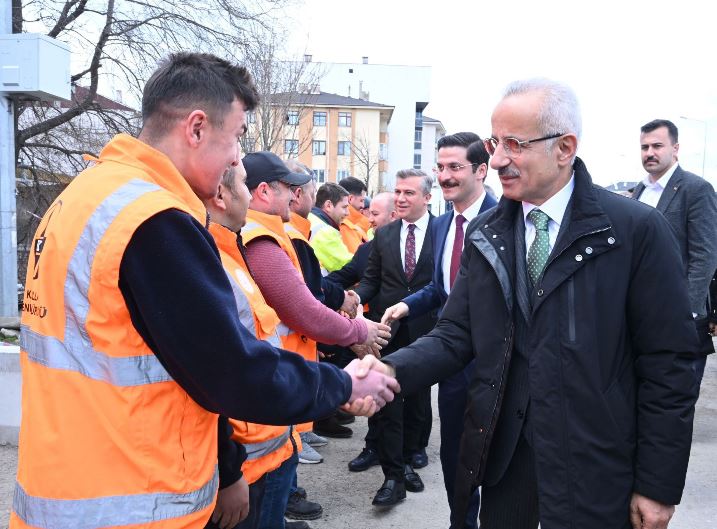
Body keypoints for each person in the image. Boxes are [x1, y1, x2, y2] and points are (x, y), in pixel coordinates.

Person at [11, 52, 398, 529]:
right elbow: (231, 369)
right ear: (196, 128)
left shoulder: (88, 195)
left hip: (72, 480)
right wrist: (345, 384)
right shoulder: (153, 219)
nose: (236, 158)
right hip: (132, 497)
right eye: (235, 137)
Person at [357, 78, 700, 529]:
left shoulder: (635, 231)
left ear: (565, 148)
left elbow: (668, 365)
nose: (498, 159)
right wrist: (390, 370)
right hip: (507, 463)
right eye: (495, 143)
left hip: (596, 465)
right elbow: (457, 333)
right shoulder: (487, 234)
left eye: (515, 144)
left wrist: (656, 485)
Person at [240, 151, 392, 526]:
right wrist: (357, 332)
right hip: (272, 388)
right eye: (289, 188)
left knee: (280, 470)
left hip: (282, 378)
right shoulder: (260, 238)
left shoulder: (274, 234)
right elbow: (303, 307)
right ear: (263, 192)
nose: (296, 196)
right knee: (270, 486)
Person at [381, 132, 497, 529]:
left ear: (481, 170)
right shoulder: (443, 224)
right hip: (451, 360)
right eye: (441, 167)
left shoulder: (508, 219)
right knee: (454, 454)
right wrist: (408, 304)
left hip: (496, 362)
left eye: (455, 167)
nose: (445, 176)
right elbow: (442, 287)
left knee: (498, 458)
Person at [354, 169, 437, 508]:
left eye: (409, 193)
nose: (401, 198)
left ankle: (412, 454)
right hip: (387, 329)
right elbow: (371, 280)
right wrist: (355, 299)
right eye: (398, 192)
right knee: (387, 398)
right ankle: (394, 472)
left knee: (417, 398)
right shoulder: (384, 235)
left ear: (427, 197)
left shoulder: (443, 232)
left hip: (426, 329)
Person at [631, 119, 717, 384]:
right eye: (644, 147)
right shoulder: (639, 191)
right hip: (640, 317)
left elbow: (705, 255)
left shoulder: (696, 189)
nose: (649, 153)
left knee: (674, 394)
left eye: (657, 146)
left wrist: (685, 312)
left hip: (679, 319)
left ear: (675, 148)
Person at [308, 183, 354, 273]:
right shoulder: (325, 231)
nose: (347, 213)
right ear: (328, 205)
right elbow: (347, 265)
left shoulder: (311, 219)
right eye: (344, 207)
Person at [338, 176, 371, 253]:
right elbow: (356, 257)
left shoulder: (350, 225)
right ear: (350, 199)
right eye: (361, 200)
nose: (363, 205)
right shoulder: (345, 227)